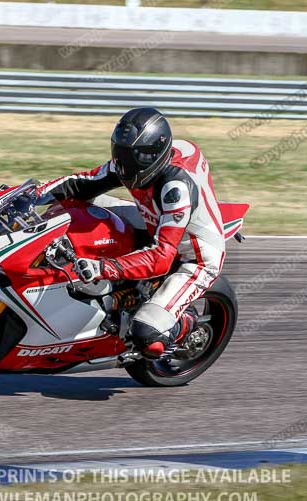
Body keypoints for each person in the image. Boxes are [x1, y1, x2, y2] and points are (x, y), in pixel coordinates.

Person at [38, 107, 226, 358]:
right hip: (153, 219)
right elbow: (81, 182)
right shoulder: (133, 162)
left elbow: (161, 258)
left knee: (147, 336)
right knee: (70, 208)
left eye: (136, 157)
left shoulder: (175, 189)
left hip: (192, 256)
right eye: (122, 155)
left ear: (155, 154)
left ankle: (183, 323)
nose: (126, 167)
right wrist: (29, 195)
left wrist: (102, 267)